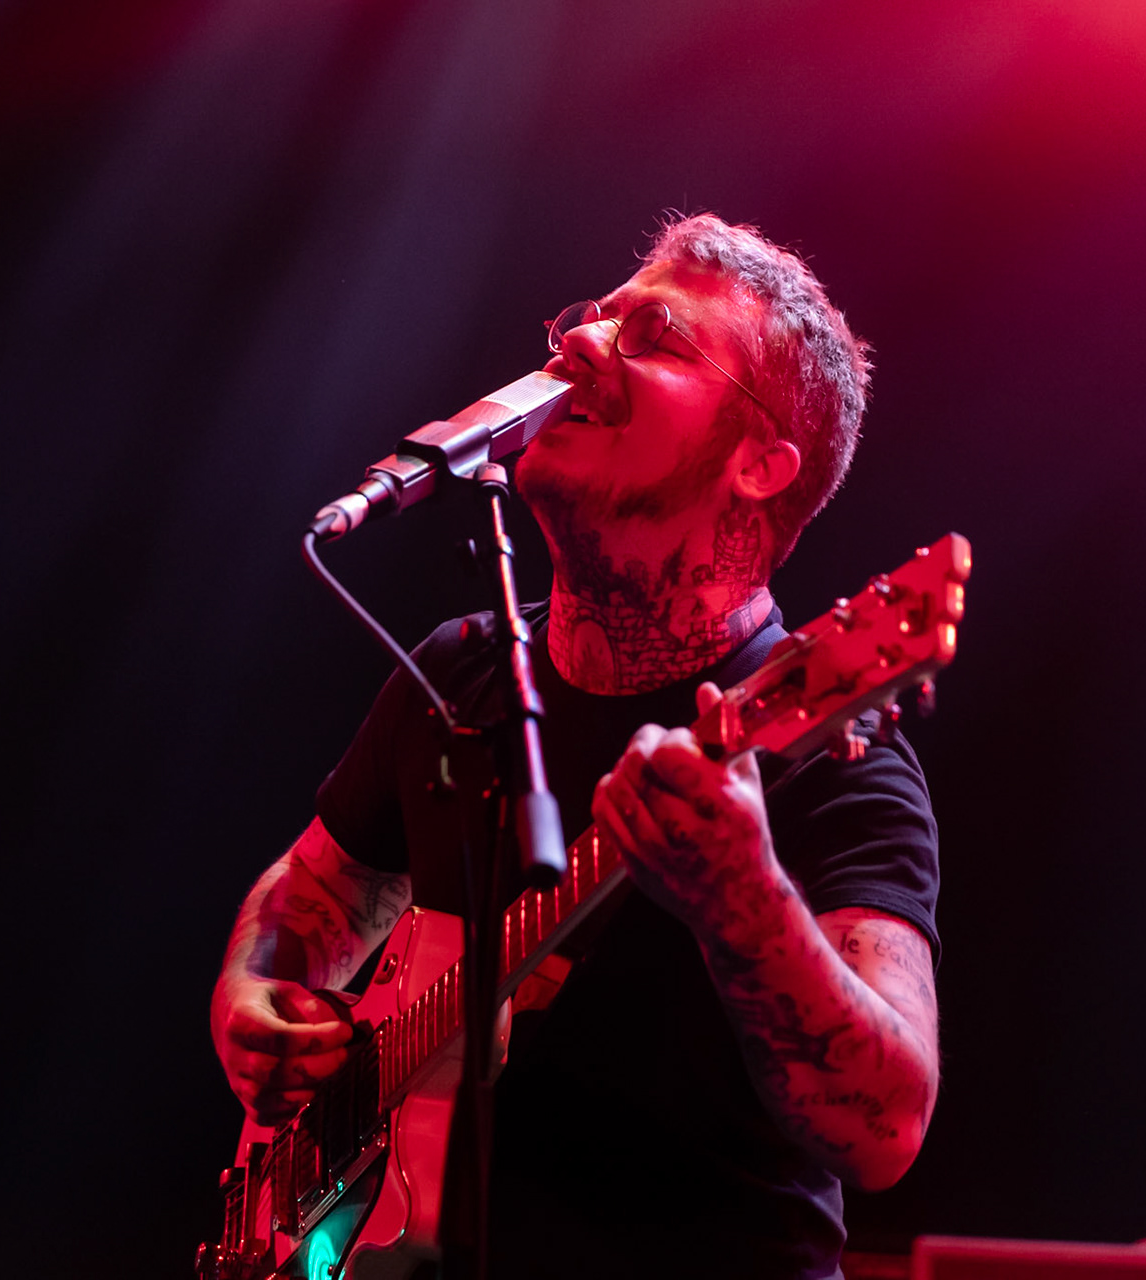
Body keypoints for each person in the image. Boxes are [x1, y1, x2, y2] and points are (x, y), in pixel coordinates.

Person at [211, 214, 940, 1280]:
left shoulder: (833, 756)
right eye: (589, 318)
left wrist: (743, 896)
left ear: (761, 463)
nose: (579, 343)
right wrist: (255, 989)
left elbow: (886, 1124)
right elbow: (311, 894)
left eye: (654, 336)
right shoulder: (454, 677)